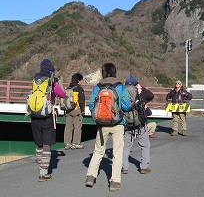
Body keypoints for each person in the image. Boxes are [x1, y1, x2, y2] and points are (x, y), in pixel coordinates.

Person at [85, 63, 132, 192]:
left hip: (101, 125)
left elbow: (91, 106)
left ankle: (90, 176)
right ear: (115, 72)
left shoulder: (98, 88)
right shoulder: (120, 87)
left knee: (98, 150)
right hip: (118, 123)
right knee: (117, 152)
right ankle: (115, 182)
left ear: (103, 73)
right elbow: (127, 106)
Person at [30, 59, 66, 182]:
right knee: (46, 145)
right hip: (47, 116)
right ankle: (43, 172)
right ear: (51, 69)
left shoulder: (35, 80)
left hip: (34, 115)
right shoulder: (52, 81)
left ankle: (40, 164)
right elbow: (62, 94)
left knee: (39, 144)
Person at [122, 75, 154, 174]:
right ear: (136, 83)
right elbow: (151, 95)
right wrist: (141, 88)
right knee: (144, 145)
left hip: (127, 123)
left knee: (126, 146)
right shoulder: (140, 92)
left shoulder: (122, 91)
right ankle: (144, 167)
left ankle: (124, 167)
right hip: (140, 122)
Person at [64, 73, 85, 150]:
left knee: (68, 127)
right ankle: (76, 143)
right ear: (78, 80)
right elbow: (81, 100)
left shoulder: (68, 88)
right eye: (81, 80)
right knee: (77, 126)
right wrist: (82, 110)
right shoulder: (79, 88)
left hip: (68, 110)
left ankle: (67, 143)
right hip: (76, 109)